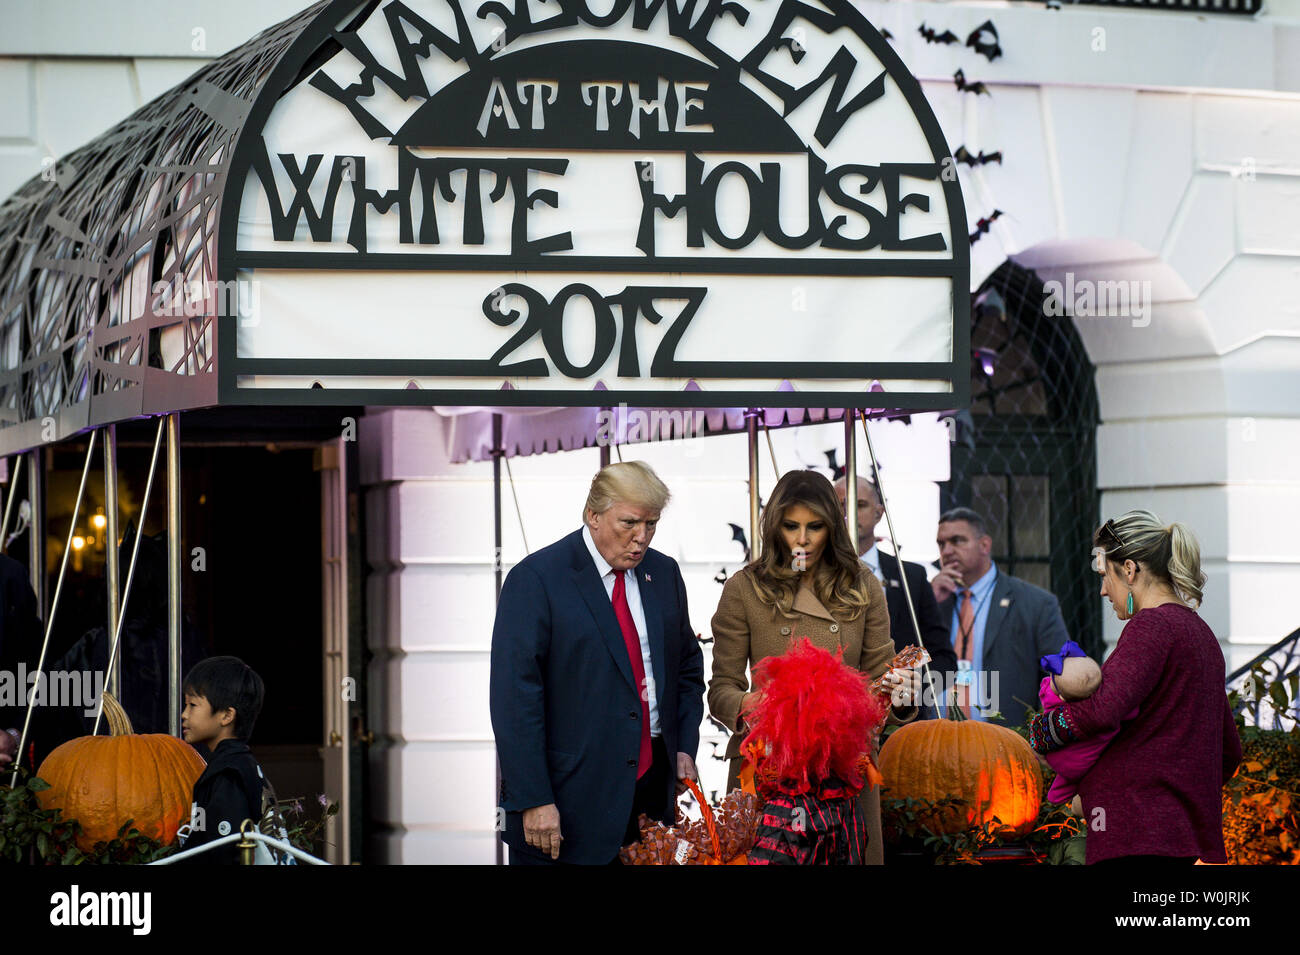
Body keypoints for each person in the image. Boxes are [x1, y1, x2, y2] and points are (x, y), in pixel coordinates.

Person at [490, 461, 705, 865]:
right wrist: (534, 797)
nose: (641, 538)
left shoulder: (664, 573)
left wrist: (683, 746)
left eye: (652, 524)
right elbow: (514, 702)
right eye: (629, 523)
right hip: (565, 805)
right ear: (593, 515)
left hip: (650, 799)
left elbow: (687, 671)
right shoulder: (536, 579)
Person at [709, 469, 922, 865]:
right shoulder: (745, 588)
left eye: (815, 527)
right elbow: (720, 688)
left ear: (833, 528)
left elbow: (882, 676)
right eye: (791, 526)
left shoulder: (862, 584)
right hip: (768, 766)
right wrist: (758, 707)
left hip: (845, 769)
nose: (802, 539)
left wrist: (903, 689)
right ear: (774, 526)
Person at [1029, 511, 1241, 865]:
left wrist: (1042, 733)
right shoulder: (1201, 634)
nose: (1102, 590)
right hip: (1178, 835)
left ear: (1129, 569)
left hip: (1132, 832)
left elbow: (1103, 709)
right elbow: (1229, 751)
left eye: (1104, 575)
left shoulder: (1151, 627)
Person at [931, 507, 1069, 727]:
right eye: (942, 544)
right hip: (933, 740)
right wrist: (928, 604)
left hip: (1006, 744)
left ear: (984, 545)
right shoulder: (933, 600)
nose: (947, 551)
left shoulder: (1035, 603)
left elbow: (1063, 675)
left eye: (957, 541)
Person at [834, 476, 956, 708]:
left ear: (879, 513)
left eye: (859, 505)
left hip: (901, 724)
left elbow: (944, 659)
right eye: (839, 505)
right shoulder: (809, 577)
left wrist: (909, 690)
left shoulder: (911, 577)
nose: (848, 513)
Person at [179, 655, 272, 865]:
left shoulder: (227, 774)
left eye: (193, 704)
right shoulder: (243, 763)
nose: (184, 714)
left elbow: (225, 852)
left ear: (226, 716)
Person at [1036, 640, 1136, 806]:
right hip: (1082, 766)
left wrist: (1052, 682)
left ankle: (1054, 802)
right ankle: (1059, 800)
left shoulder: (1053, 700)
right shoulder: (1099, 706)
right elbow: (1129, 711)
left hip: (1057, 757)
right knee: (1069, 783)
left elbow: (1046, 688)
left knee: (1062, 784)